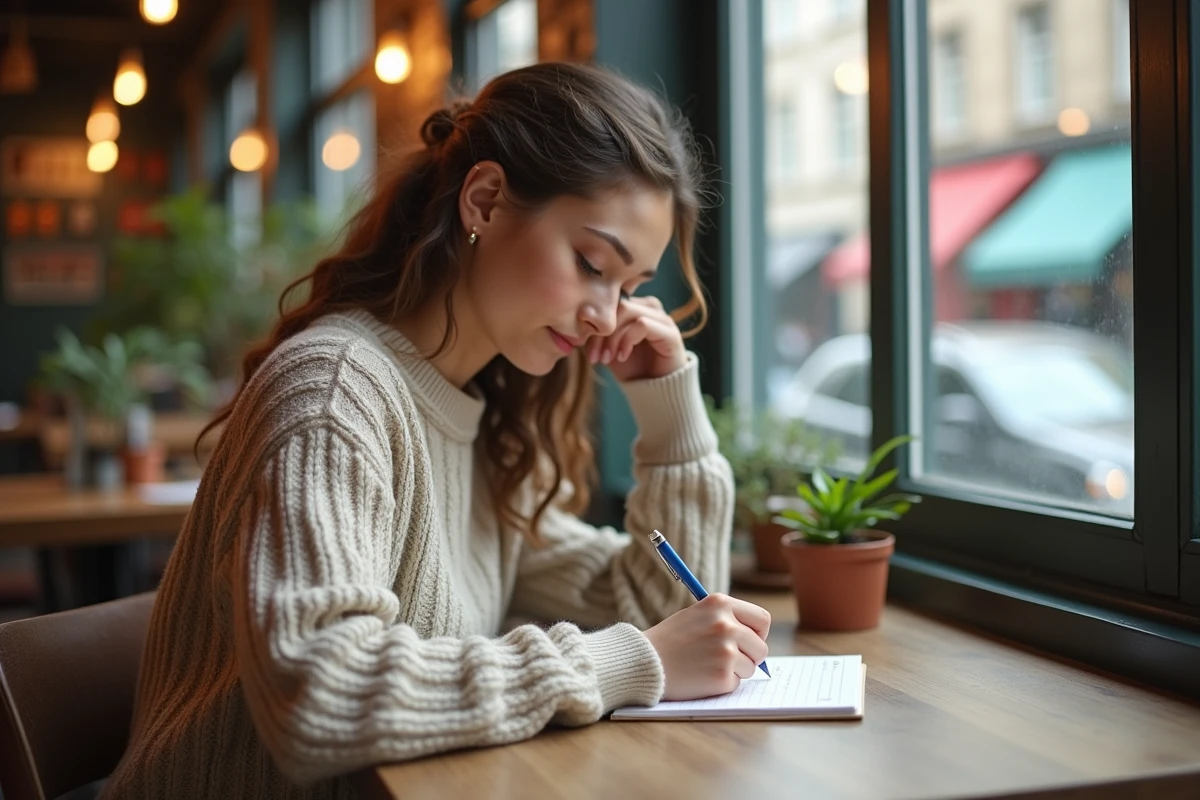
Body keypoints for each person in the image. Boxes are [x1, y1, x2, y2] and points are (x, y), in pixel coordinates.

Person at [102, 62, 770, 799]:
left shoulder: (483, 421)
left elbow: (668, 613)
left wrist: (669, 414)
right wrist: (629, 661)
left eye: (630, 287)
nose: (609, 316)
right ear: (483, 200)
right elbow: (318, 693)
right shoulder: (334, 392)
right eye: (590, 264)